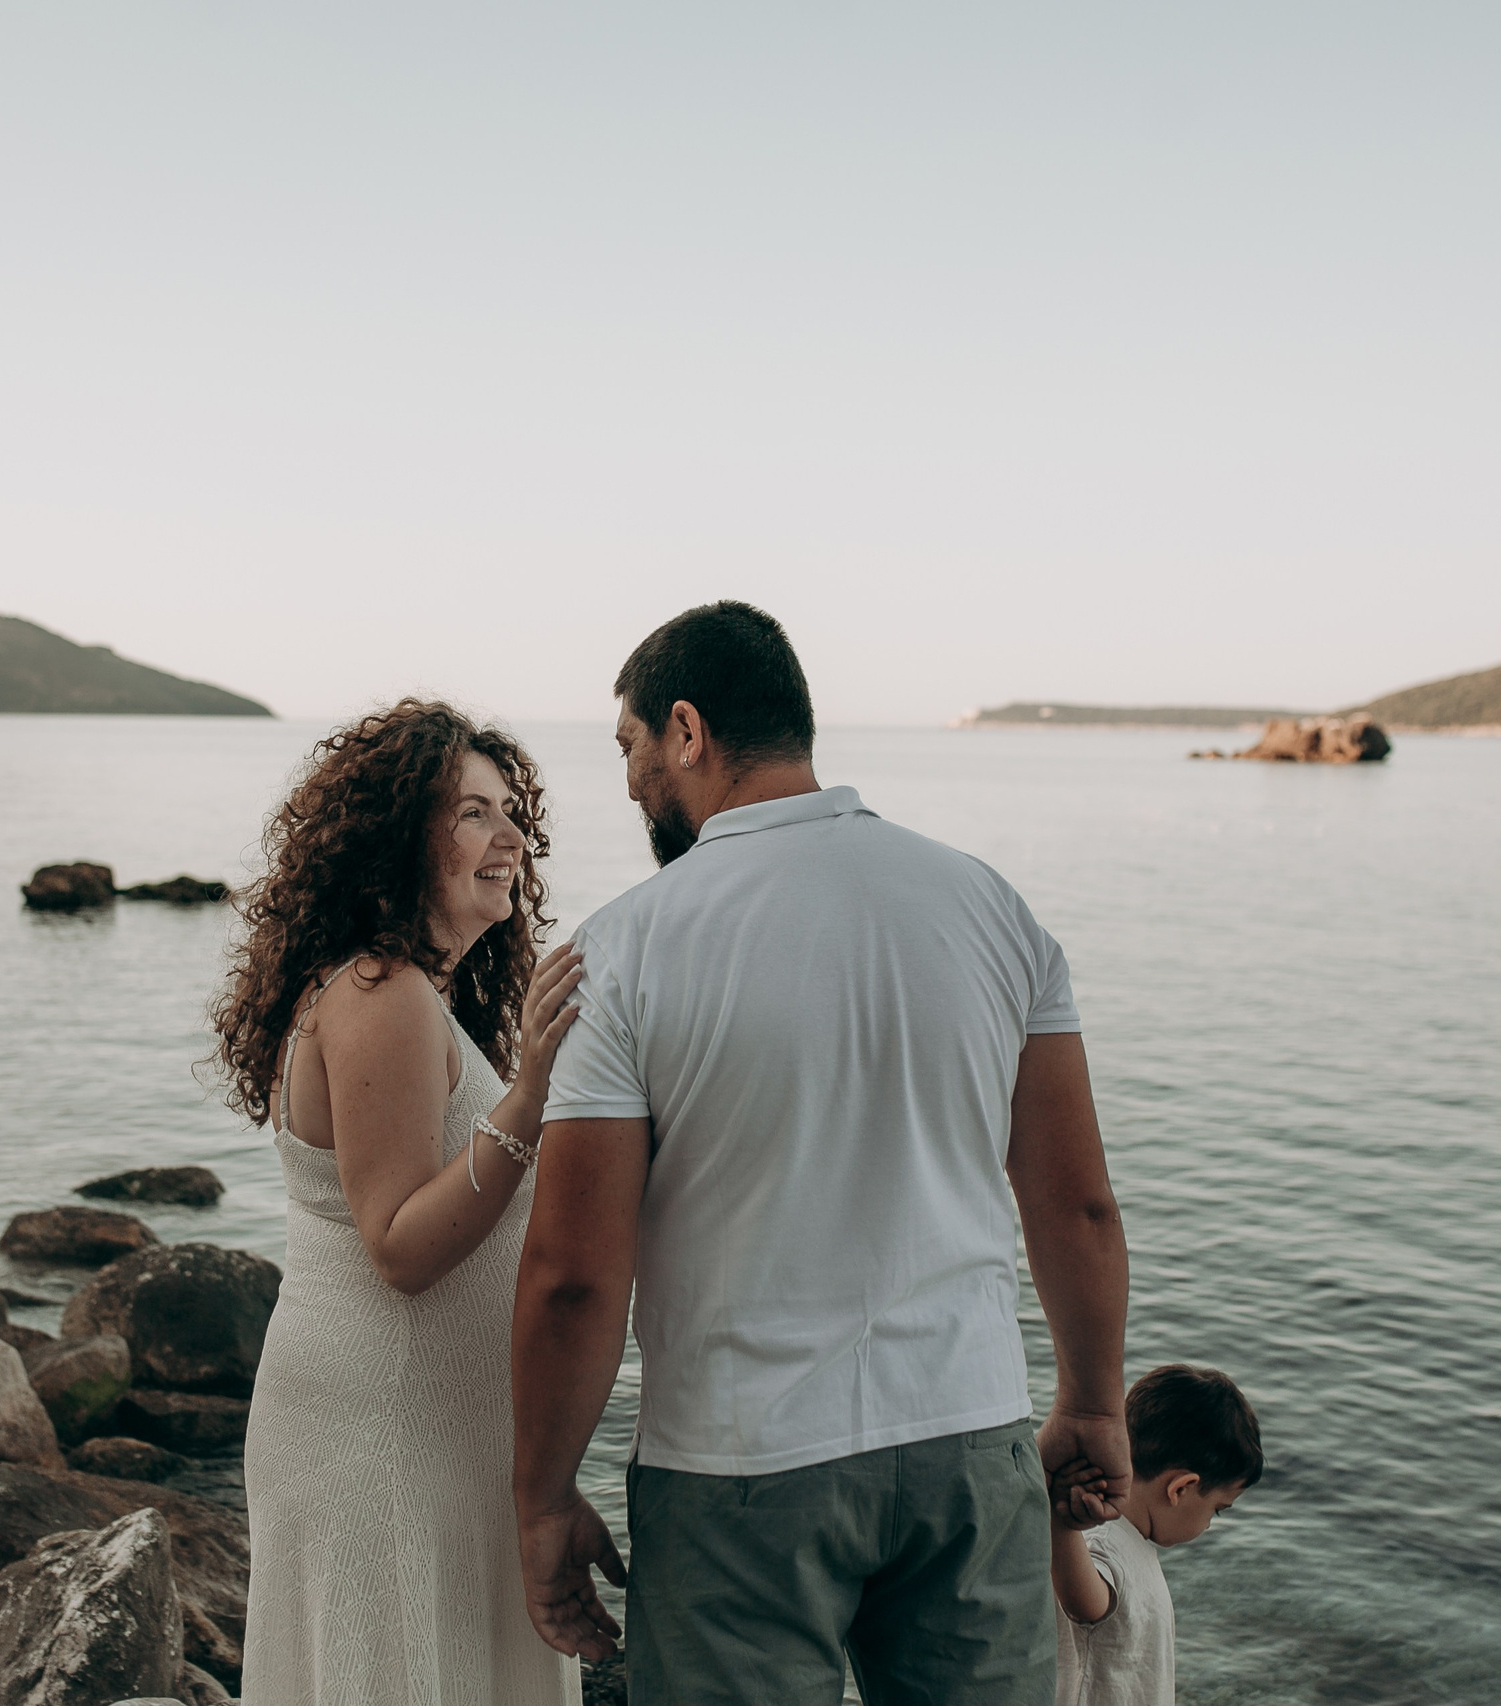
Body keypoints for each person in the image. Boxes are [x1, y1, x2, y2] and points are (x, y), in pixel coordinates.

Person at [509, 601, 1135, 1705]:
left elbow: (574, 1276)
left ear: (687, 731)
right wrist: (1092, 1402)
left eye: (629, 745)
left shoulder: (624, 949)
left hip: (736, 1468)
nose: (630, 781)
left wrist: (543, 1498)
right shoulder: (992, 909)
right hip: (968, 1436)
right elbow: (1076, 1204)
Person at [219, 699, 587, 1706]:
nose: (510, 838)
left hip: (430, 1429)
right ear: (397, 838)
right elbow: (399, 1246)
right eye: (473, 813)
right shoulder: (381, 994)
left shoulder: (414, 996)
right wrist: (530, 1096)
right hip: (382, 1432)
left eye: (511, 813)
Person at [1050, 1365, 1265, 1706]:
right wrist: (1060, 1523)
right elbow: (1082, 1604)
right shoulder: (1103, 1540)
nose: (1210, 1524)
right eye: (1216, 1509)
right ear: (1181, 1488)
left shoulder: (1131, 1540)